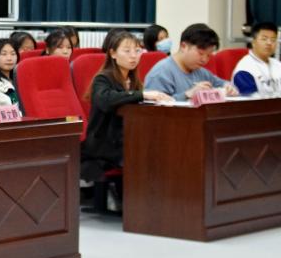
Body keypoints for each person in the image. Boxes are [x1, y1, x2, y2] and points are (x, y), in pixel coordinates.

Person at [81, 32, 172, 208]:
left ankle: (158, 203)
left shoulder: (132, 79)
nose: (133, 56)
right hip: (103, 143)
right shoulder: (103, 78)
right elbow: (105, 100)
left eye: (137, 51)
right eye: (127, 51)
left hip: (124, 138)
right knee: (143, 153)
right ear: (113, 53)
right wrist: (142, 94)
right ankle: (136, 205)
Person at [144, 23, 238, 100]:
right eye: (200, 53)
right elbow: (153, 109)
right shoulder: (161, 73)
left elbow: (222, 83)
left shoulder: (201, 72)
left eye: (209, 55)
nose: (204, 60)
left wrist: (228, 87)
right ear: (184, 46)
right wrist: (187, 94)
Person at [232, 21, 281, 97]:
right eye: (264, 39)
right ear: (253, 42)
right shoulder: (245, 69)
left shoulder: (277, 64)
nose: (269, 43)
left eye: (273, 40)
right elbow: (252, 100)